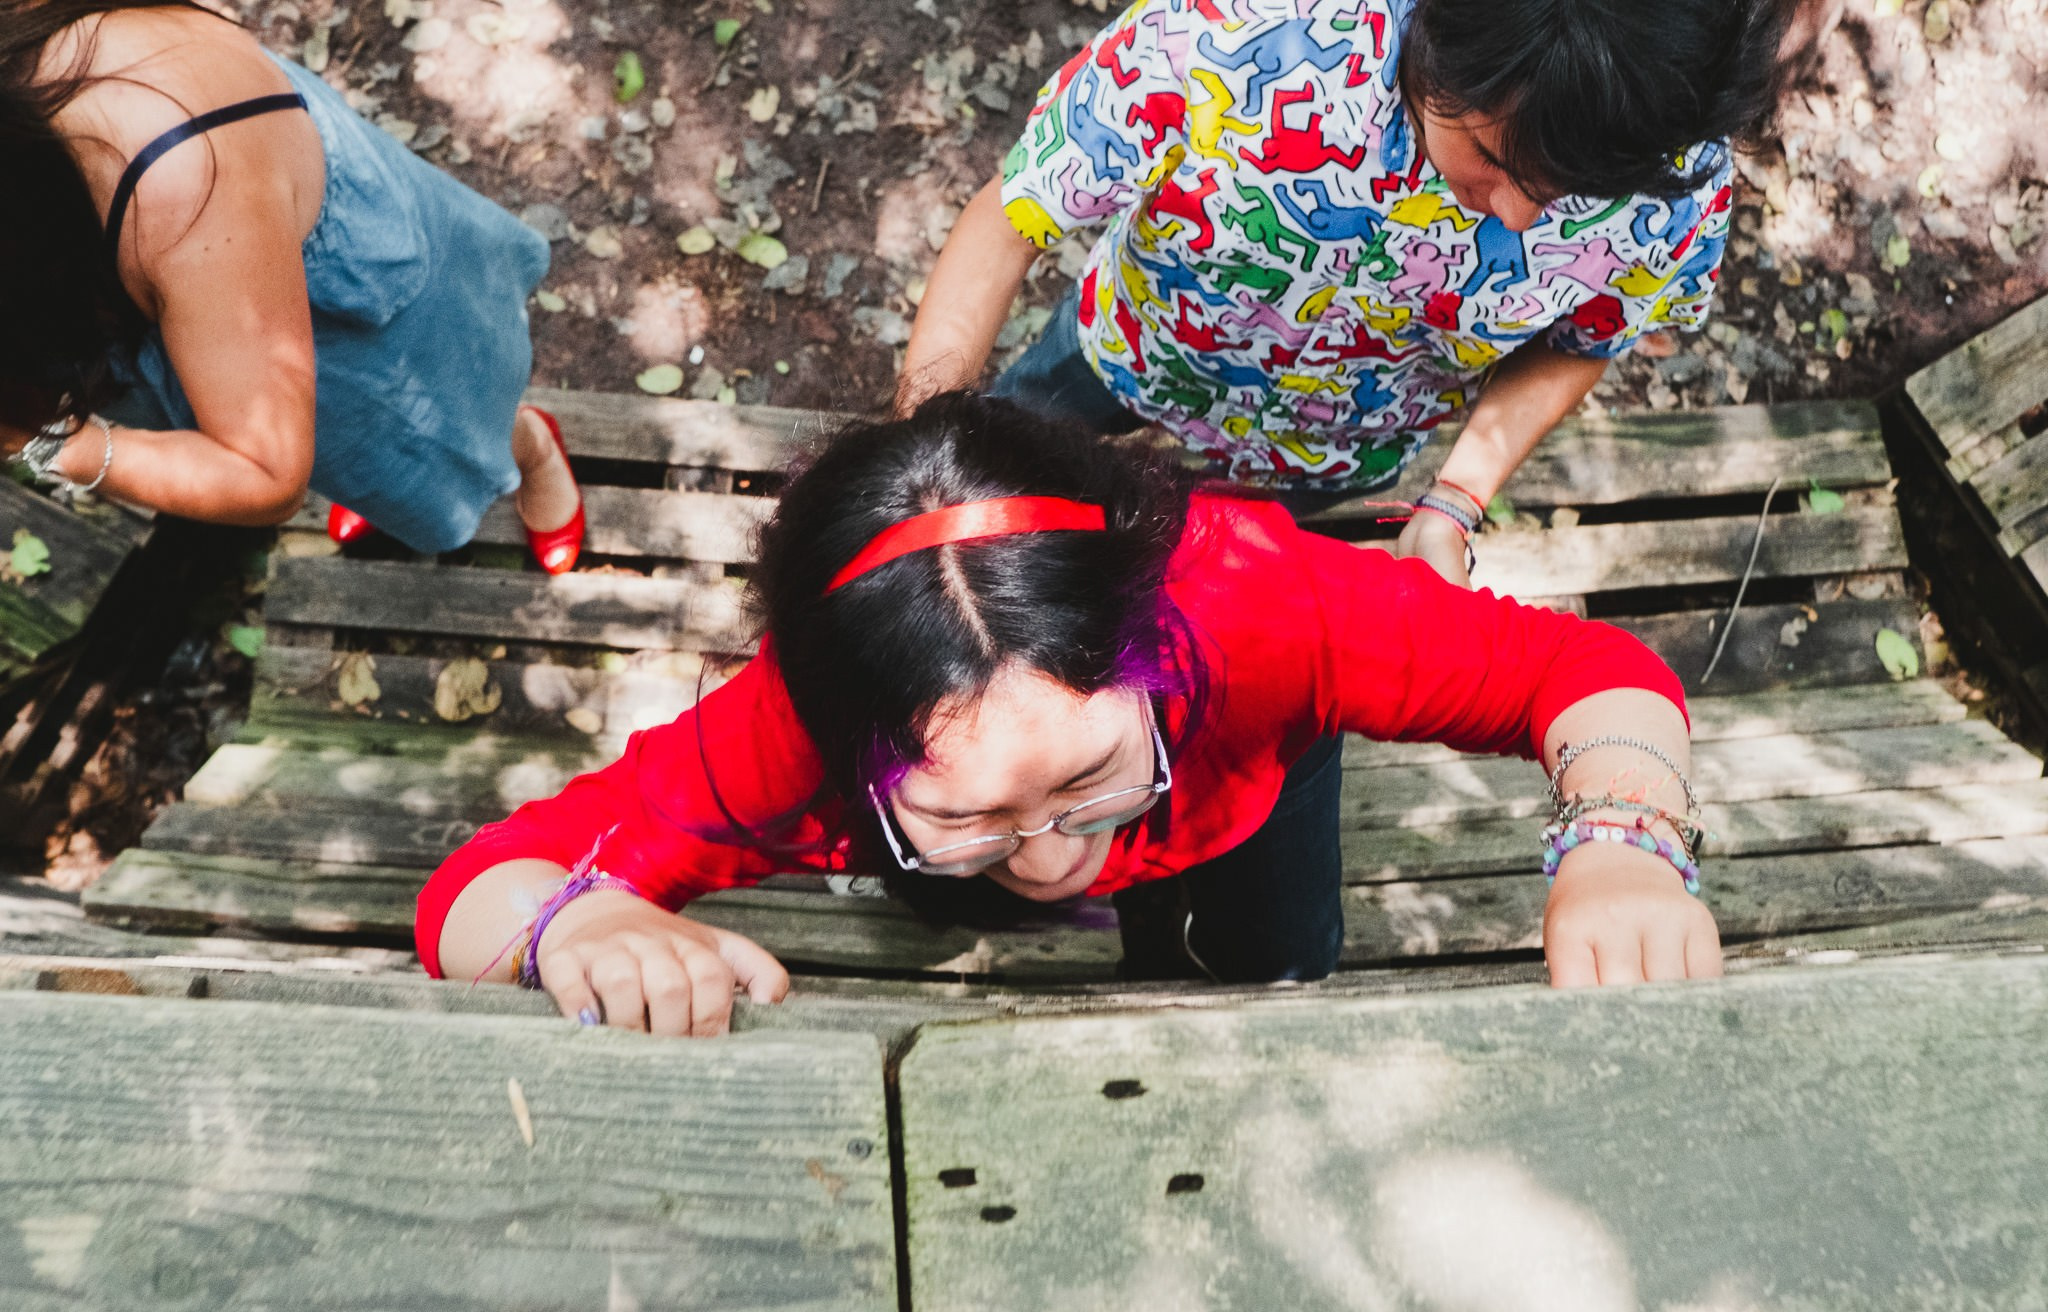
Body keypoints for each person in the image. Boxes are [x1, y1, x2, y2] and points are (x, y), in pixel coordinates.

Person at [419, 394, 1719, 1037]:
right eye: (966, 814)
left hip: (1242, 793)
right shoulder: (788, 732)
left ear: (1158, 646)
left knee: (1277, 956)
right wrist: (571, 921)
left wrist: (1619, 840)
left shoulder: (1264, 605)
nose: (1048, 859)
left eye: (1088, 776)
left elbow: (1586, 673)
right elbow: (472, 889)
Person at [898, 0, 1793, 586]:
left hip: (1334, 454)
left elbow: (1584, 340)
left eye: (1565, 194)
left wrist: (1454, 500)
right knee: (1017, 431)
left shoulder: (1676, 168)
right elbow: (1016, 214)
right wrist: (917, 470)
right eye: (1490, 156)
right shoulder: (1241, 32)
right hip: (1134, 342)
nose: (1518, 218)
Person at [0, 0, 586, 568]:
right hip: (226, 270)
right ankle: (375, 472)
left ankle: (527, 445)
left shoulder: (179, 194)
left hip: (329, 311)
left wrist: (45, 441)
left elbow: (263, 474)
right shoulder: (45, 145)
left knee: (447, 417)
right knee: (358, 453)